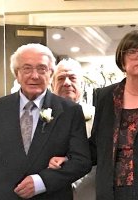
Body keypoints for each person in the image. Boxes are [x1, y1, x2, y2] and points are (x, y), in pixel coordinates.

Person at [49, 30, 138, 200]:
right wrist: (69, 159)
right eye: (132, 51)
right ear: (122, 59)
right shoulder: (107, 96)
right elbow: (97, 145)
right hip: (112, 191)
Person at [0, 43, 91, 200]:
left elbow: (81, 161)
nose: (34, 75)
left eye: (42, 69)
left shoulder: (70, 111)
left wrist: (42, 181)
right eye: (27, 68)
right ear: (16, 73)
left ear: (50, 73)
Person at [50, 58, 96, 200]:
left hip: (89, 191)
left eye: (72, 78)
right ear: (52, 85)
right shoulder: (42, 115)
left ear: (81, 84)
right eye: (61, 78)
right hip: (52, 191)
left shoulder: (98, 115)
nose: (67, 83)